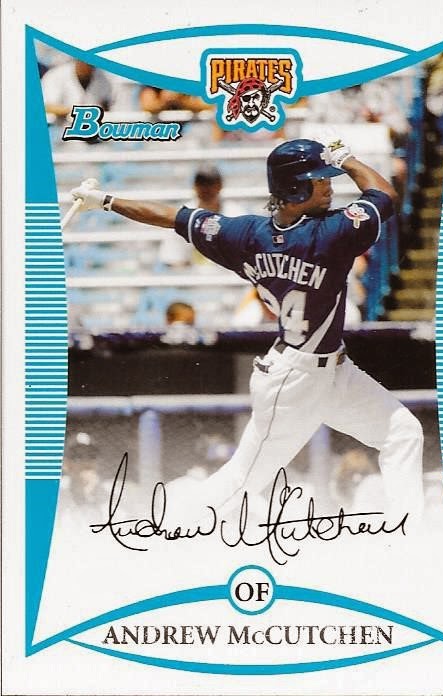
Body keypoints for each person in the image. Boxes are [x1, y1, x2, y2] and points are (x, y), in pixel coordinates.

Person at [70, 138, 424, 526]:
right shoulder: (332, 233)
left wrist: (106, 201)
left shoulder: (245, 234)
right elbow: (383, 194)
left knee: (403, 432)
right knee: (243, 480)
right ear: (295, 188)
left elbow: (172, 216)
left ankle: (405, 534)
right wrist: (346, 159)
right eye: (320, 179)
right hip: (295, 381)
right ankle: (163, 531)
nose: (329, 185)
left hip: (332, 372)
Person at [42, 59, 116, 119]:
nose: (87, 66)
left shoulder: (104, 77)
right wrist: (76, 111)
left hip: (91, 127)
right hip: (59, 128)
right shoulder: (56, 74)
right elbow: (47, 107)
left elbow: (108, 105)